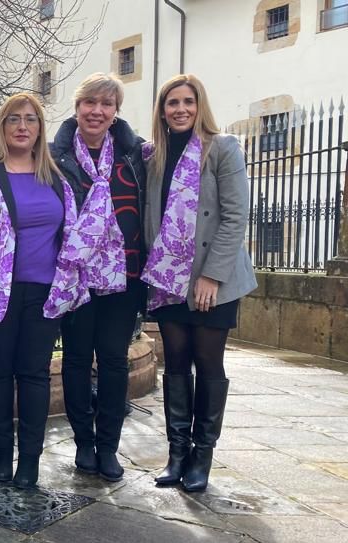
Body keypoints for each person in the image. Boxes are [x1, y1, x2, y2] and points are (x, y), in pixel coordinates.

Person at [0, 93, 82, 489]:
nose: (23, 126)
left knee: (33, 375)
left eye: (31, 119)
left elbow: (72, 235)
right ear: (2, 125)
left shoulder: (57, 178)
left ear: (41, 128)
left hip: (45, 291)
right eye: (14, 119)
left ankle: (29, 459)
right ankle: (0, 454)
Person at [145, 74, 256, 492]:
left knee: (207, 361)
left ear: (199, 104)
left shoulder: (222, 148)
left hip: (214, 278)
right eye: (171, 102)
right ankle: (177, 454)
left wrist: (211, 275)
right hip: (168, 277)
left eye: (187, 101)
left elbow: (234, 215)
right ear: (161, 109)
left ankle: (201, 458)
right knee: (174, 361)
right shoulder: (153, 155)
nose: (180, 109)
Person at [51, 73, 147, 482]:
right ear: (77, 108)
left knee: (112, 361)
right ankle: (83, 444)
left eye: (106, 104)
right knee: (74, 360)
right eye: (90, 103)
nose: (97, 111)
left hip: (124, 276)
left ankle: (108, 445)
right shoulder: (54, 156)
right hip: (75, 275)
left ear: (115, 112)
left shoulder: (135, 155)